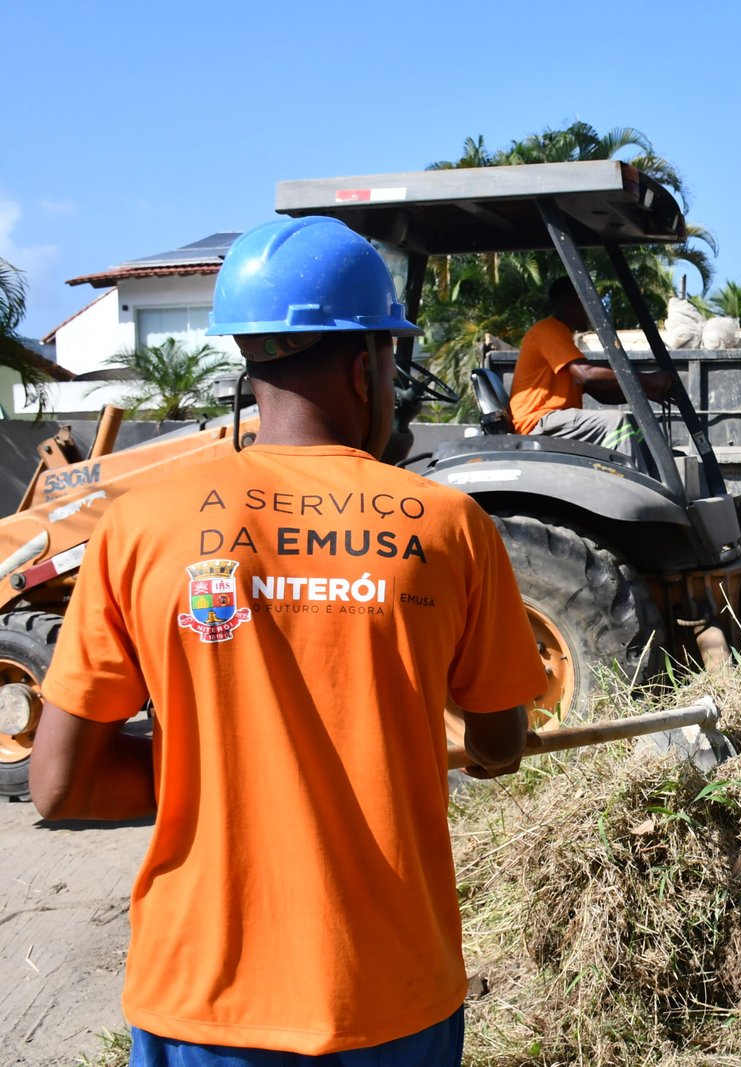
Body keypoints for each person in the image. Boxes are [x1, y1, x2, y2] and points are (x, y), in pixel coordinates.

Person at [28, 216, 547, 1066]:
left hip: (202, 999)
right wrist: (488, 749)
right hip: (390, 995)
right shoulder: (453, 527)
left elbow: (59, 785)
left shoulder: (140, 525)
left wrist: (215, 781)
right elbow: (499, 738)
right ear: (363, 363)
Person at [508, 276, 673, 467]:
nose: (590, 313)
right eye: (588, 303)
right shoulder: (548, 330)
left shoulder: (563, 338)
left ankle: (656, 478)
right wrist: (648, 380)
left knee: (633, 424)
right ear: (575, 301)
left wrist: (644, 393)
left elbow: (599, 392)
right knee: (617, 423)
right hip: (537, 422)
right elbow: (586, 373)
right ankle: (637, 491)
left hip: (555, 420)